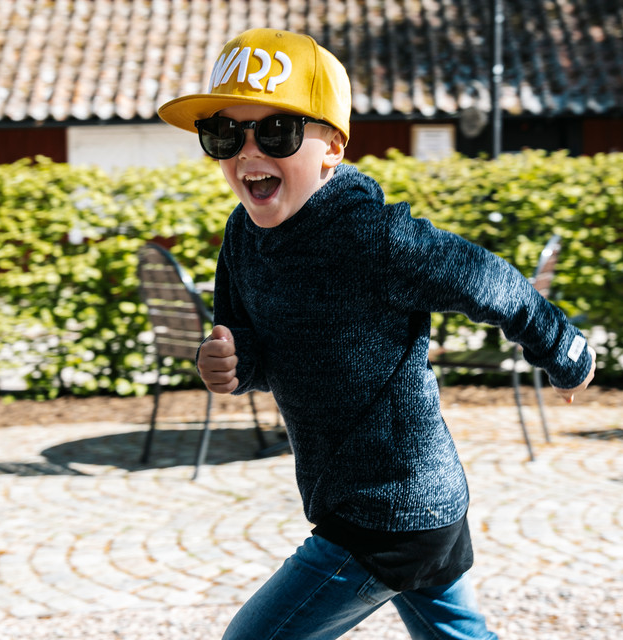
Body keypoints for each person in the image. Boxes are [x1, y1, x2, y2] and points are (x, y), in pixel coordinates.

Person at [157, 27, 595, 640]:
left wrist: (565, 351)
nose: (248, 151)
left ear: (332, 148)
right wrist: (230, 362)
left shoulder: (375, 238)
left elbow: (486, 280)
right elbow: (249, 343)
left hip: (388, 510)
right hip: (402, 501)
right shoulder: (243, 235)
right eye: (224, 134)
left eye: (277, 132)